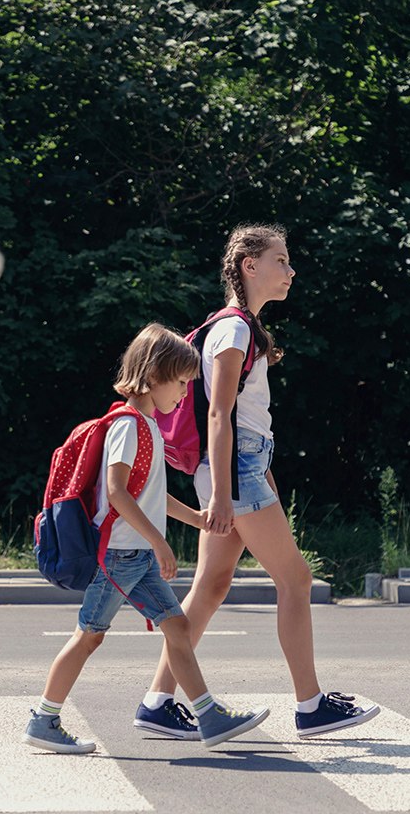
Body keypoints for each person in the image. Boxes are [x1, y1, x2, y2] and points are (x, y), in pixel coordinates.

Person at [135, 224, 380, 740]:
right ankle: (311, 705)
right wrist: (226, 493)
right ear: (250, 265)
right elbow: (219, 416)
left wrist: (252, 474)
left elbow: (242, 418)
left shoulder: (240, 329)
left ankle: (157, 701)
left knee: (211, 585)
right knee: (295, 580)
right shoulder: (235, 330)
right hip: (234, 470)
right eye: (281, 260)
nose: (290, 271)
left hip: (242, 467)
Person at [23, 323, 270, 754]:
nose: (182, 395)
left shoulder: (148, 426)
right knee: (89, 637)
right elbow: (117, 491)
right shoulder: (127, 425)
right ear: (153, 376)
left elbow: (151, 494)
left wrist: (196, 518)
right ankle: (44, 719)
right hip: (119, 556)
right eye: (179, 383)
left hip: (133, 556)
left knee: (177, 626)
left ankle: (208, 716)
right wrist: (160, 542)